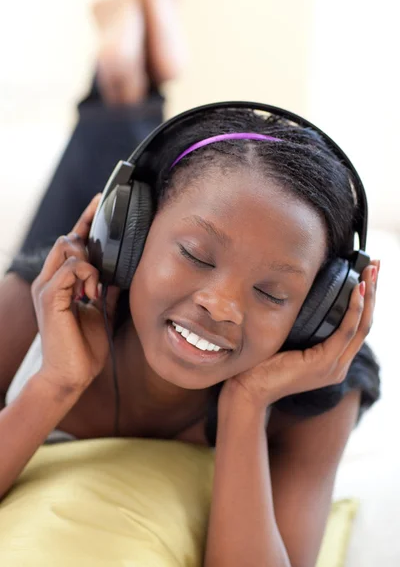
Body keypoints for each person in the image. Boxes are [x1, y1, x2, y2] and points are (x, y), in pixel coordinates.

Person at [0, 105, 380, 566]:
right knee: (104, 133)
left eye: (270, 292)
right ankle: (121, 91)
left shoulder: (318, 401)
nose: (221, 306)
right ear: (130, 235)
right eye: (196, 256)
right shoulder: (23, 311)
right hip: (94, 293)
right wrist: (56, 383)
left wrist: (246, 405)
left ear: (315, 311)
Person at [0, 0, 186, 386]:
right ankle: (129, 58)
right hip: (52, 310)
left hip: (34, 287)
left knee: (57, 262)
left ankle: (124, 62)